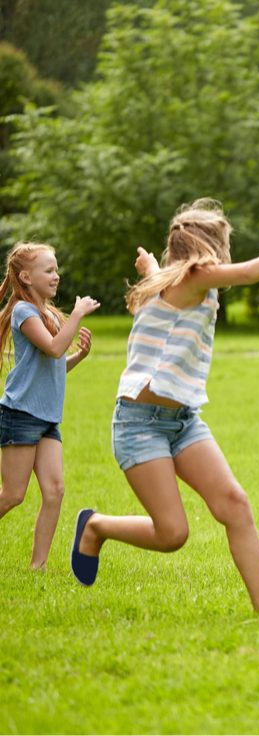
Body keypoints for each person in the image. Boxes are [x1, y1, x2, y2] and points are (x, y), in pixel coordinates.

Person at [69, 198, 259, 613]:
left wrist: (149, 267)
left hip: (183, 420)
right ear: (211, 248)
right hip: (139, 424)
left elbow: (163, 283)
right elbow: (252, 272)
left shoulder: (166, 280)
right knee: (172, 534)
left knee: (234, 505)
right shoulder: (198, 276)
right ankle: (95, 526)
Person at [0, 243, 99, 569]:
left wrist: (80, 357)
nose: (56, 276)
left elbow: (55, 364)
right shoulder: (23, 312)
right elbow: (55, 348)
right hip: (21, 414)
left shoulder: (48, 314)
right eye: (49, 270)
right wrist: (79, 313)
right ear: (26, 277)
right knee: (13, 494)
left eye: (56, 270)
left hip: (46, 418)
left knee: (55, 491)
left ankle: (37, 567)